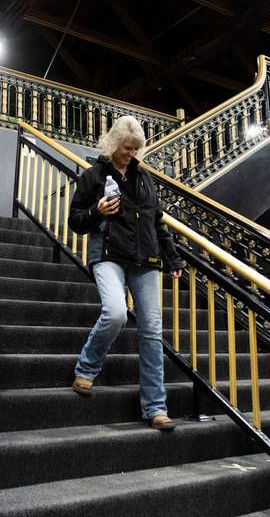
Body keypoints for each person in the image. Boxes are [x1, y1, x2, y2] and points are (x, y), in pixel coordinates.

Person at [68, 116, 186, 430]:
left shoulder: (145, 179)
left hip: (145, 259)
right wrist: (97, 212)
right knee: (116, 313)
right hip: (108, 254)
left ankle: (156, 408)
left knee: (151, 332)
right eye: (125, 147)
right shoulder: (93, 176)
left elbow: (156, 222)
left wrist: (173, 260)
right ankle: (87, 367)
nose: (130, 153)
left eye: (135, 148)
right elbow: (75, 221)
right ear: (112, 143)